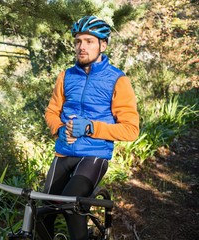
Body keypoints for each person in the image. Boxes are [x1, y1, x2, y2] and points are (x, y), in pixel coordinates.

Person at [37, 16, 140, 240]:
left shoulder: (117, 79)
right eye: (78, 41)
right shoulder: (66, 76)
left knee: (71, 205)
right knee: (43, 212)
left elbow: (131, 130)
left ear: (103, 45)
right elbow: (51, 112)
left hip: (94, 154)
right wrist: (59, 129)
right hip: (64, 152)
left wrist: (92, 127)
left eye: (89, 41)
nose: (82, 47)